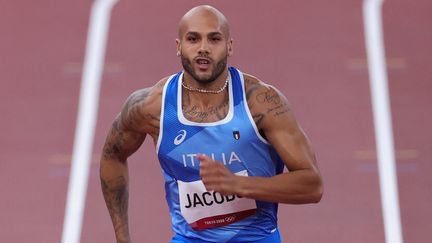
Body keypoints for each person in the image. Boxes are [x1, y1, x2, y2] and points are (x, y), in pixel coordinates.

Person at [100, 5, 323, 243]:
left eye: (214, 39)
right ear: (179, 46)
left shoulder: (261, 103)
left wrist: (238, 184)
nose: (203, 48)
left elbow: (312, 185)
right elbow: (112, 156)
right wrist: (122, 238)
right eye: (193, 39)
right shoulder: (152, 107)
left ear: (229, 46)